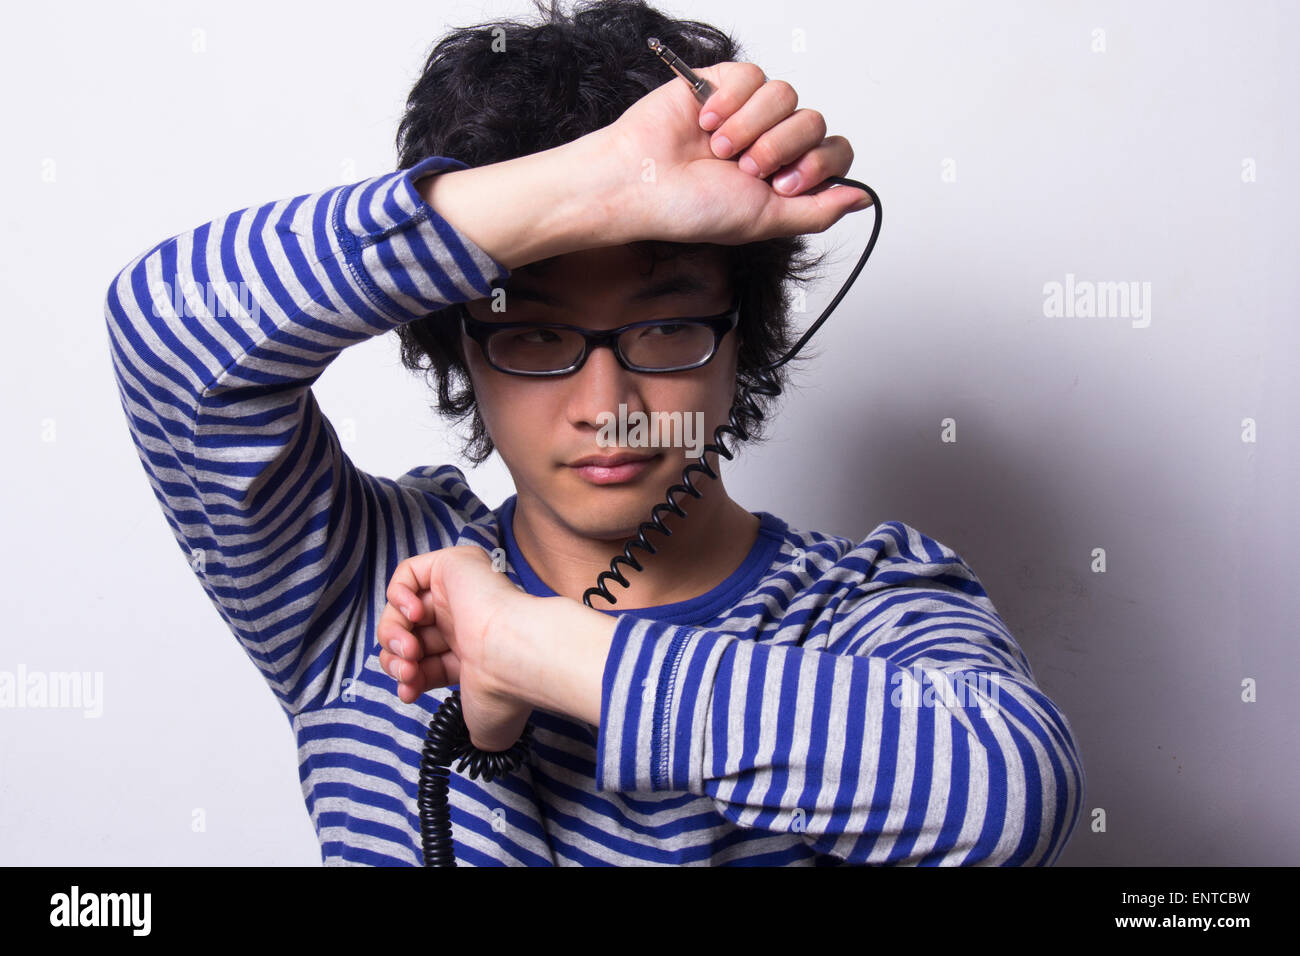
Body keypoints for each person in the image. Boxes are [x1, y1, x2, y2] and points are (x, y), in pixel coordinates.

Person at [104, 0, 1084, 865]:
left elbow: (1010, 792)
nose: (604, 399)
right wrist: (596, 187)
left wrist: (525, 645)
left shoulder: (854, 611)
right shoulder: (369, 587)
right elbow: (166, 324)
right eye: (534, 332)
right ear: (462, 347)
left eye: (663, 325)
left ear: (743, 336)